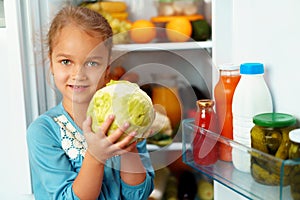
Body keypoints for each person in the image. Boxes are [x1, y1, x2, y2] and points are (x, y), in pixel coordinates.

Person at [26, 6, 154, 200]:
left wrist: (130, 147)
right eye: (66, 61)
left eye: (92, 63)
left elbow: (138, 195)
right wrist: (95, 157)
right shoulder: (44, 131)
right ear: (51, 64)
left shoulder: (124, 121)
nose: (78, 75)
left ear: (107, 69)